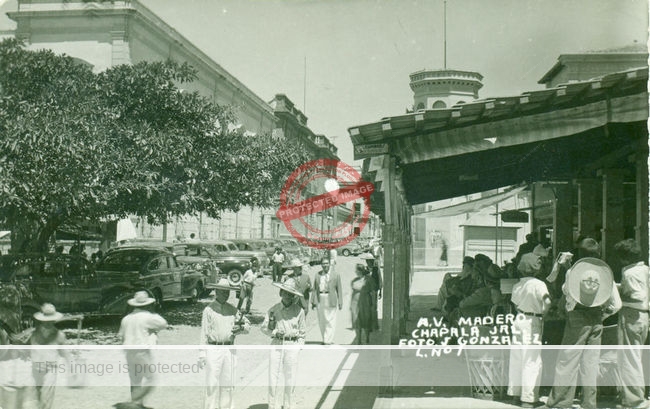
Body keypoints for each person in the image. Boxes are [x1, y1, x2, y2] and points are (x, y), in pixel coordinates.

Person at [543, 238, 622, 409]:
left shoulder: (573, 272)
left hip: (577, 317)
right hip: (596, 318)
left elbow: (567, 292)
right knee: (590, 364)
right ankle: (589, 403)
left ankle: (560, 403)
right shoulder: (604, 275)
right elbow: (617, 304)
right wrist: (602, 316)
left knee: (568, 361)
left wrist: (568, 267)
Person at [507, 254, 551, 408]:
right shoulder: (539, 284)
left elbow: (514, 305)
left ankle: (515, 394)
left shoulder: (517, 285)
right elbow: (547, 302)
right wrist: (543, 314)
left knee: (517, 357)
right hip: (533, 320)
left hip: (519, 319)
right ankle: (529, 398)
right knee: (531, 360)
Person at [199, 278, 250, 409]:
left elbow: (247, 325)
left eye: (227, 292)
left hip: (229, 349)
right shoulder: (209, 310)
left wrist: (240, 329)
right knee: (211, 384)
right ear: (216, 291)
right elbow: (203, 333)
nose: (225, 294)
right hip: (213, 348)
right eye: (222, 291)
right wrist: (202, 355)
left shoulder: (233, 309)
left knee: (228, 384)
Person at [613, 239, 649, 409]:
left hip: (631, 315)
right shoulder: (645, 270)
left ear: (625, 257)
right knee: (637, 357)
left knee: (629, 358)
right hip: (643, 317)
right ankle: (637, 395)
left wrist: (618, 297)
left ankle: (633, 400)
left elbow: (637, 297)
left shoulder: (629, 273)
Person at [117, 291, 168, 409]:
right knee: (151, 379)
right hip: (142, 351)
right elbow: (163, 324)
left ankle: (137, 405)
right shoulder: (149, 317)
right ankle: (132, 402)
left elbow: (121, 336)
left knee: (135, 380)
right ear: (147, 305)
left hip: (129, 352)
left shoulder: (126, 319)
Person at [261, 278, 306, 409]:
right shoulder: (273, 310)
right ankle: (272, 405)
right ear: (280, 293)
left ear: (293, 296)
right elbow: (264, 327)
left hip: (292, 345)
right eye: (285, 292)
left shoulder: (299, 311)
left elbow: (303, 333)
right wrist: (274, 332)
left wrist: (298, 347)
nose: (287, 296)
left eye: (290, 294)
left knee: (290, 377)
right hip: (277, 344)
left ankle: (288, 405)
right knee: (273, 376)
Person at [29, 303, 71, 409]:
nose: (48, 322)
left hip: (50, 369)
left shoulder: (59, 335)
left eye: (50, 320)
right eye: (46, 320)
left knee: (46, 396)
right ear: (42, 320)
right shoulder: (33, 333)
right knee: (38, 395)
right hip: (36, 368)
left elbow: (65, 353)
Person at [311, 257, 343, 345]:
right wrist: (313, 301)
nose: (325, 265)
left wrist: (340, 302)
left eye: (326, 263)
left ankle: (327, 340)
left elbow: (339, 289)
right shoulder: (318, 275)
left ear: (330, 264)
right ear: (321, 264)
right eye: (323, 263)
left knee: (330, 319)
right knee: (322, 320)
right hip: (320, 297)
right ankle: (324, 337)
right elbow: (314, 288)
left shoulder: (336, 275)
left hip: (331, 297)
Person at [350, 263, 378, 344]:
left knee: (366, 321)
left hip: (365, 302)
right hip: (355, 303)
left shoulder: (369, 280)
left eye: (357, 270)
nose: (355, 271)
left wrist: (373, 304)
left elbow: (373, 292)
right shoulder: (354, 280)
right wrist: (351, 305)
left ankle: (366, 338)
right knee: (356, 321)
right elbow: (353, 292)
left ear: (360, 271)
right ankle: (358, 340)